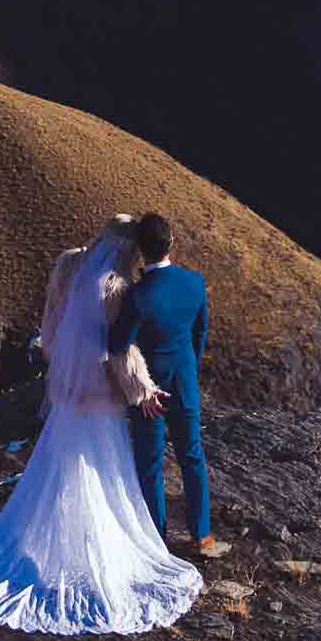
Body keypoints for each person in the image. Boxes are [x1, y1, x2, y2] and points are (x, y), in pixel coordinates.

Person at [0, 214, 205, 633]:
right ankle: (88, 544)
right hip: (98, 394)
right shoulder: (119, 288)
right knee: (99, 466)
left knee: (62, 460)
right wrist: (143, 391)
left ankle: (51, 528)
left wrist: (60, 360)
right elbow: (119, 351)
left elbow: (51, 321)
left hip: (68, 389)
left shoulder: (70, 265)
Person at [108, 212, 213, 550]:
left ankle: (157, 539)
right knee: (192, 455)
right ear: (172, 243)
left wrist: (140, 386)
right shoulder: (195, 282)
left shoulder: (137, 296)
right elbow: (200, 332)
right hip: (184, 380)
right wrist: (189, 370)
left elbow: (118, 346)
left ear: (140, 250)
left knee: (151, 463)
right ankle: (203, 534)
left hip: (149, 389)